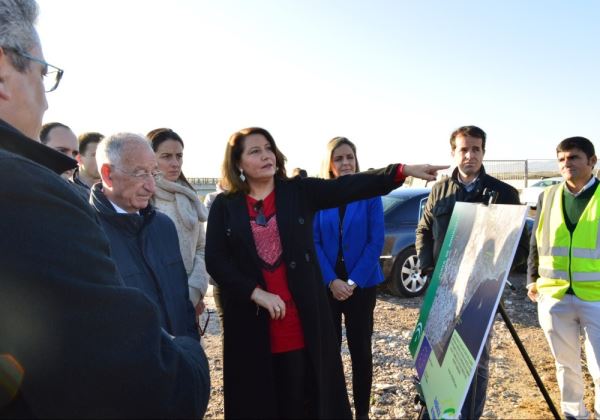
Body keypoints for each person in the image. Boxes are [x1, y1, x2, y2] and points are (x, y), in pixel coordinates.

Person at [0, 0, 209, 417]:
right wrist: (188, 357)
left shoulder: (163, 226)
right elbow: (129, 379)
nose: (44, 102)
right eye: (43, 73)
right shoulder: (30, 198)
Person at [205, 126, 446, 418]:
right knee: (259, 398)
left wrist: (401, 171)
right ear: (238, 162)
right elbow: (216, 261)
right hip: (252, 323)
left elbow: (350, 185)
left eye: (269, 148)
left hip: (298, 320)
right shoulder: (225, 206)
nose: (266, 155)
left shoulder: (298, 192)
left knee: (301, 396)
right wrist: (257, 294)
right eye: (255, 151)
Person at [415, 125, 527, 419]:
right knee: (437, 349)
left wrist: (495, 276)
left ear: (483, 152)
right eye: (463, 149)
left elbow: (518, 245)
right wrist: (428, 266)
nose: (469, 155)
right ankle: (436, 408)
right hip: (443, 288)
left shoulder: (503, 193)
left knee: (473, 360)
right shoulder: (440, 190)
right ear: (453, 152)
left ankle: (469, 414)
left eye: (475, 149)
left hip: (479, 294)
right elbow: (424, 230)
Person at [91, 132, 199, 339]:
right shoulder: (87, 234)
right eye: (140, 174)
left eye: (154, 174)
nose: (151, 186)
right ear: (107, 174)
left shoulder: (164, 226)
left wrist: (190, 349)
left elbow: (182, 302)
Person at [527, 136, 600, 419]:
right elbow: (536, 241)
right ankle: (575, 414)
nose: (566, 164)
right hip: (554, 296)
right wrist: (532, 278)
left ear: (592, 161)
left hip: (596, 296)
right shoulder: (547, 196)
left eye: (574, 157)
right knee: (565, 364)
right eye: (561, 159)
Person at [313, 137, 384, 419]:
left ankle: (362, 413)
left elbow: (375, 241)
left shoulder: (369, 194)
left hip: (362, 285)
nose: (345, 163)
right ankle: (334, 410)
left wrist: (352, 282)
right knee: (329, 353)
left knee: (360, 352)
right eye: (339, 158)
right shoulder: (319, 195)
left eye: (349, 157)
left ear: (356, 160)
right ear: (330, 164)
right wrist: (332, 281)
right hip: (328, 285)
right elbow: (313, 241)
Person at [147, 127, 209, 317]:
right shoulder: (142, 198)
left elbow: (202, 247)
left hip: (190, 300)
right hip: (155, 302)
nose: (175, 163)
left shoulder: (189, 198)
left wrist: (194, 291)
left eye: (179, 156)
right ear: (150, 157)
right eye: (166, 156)